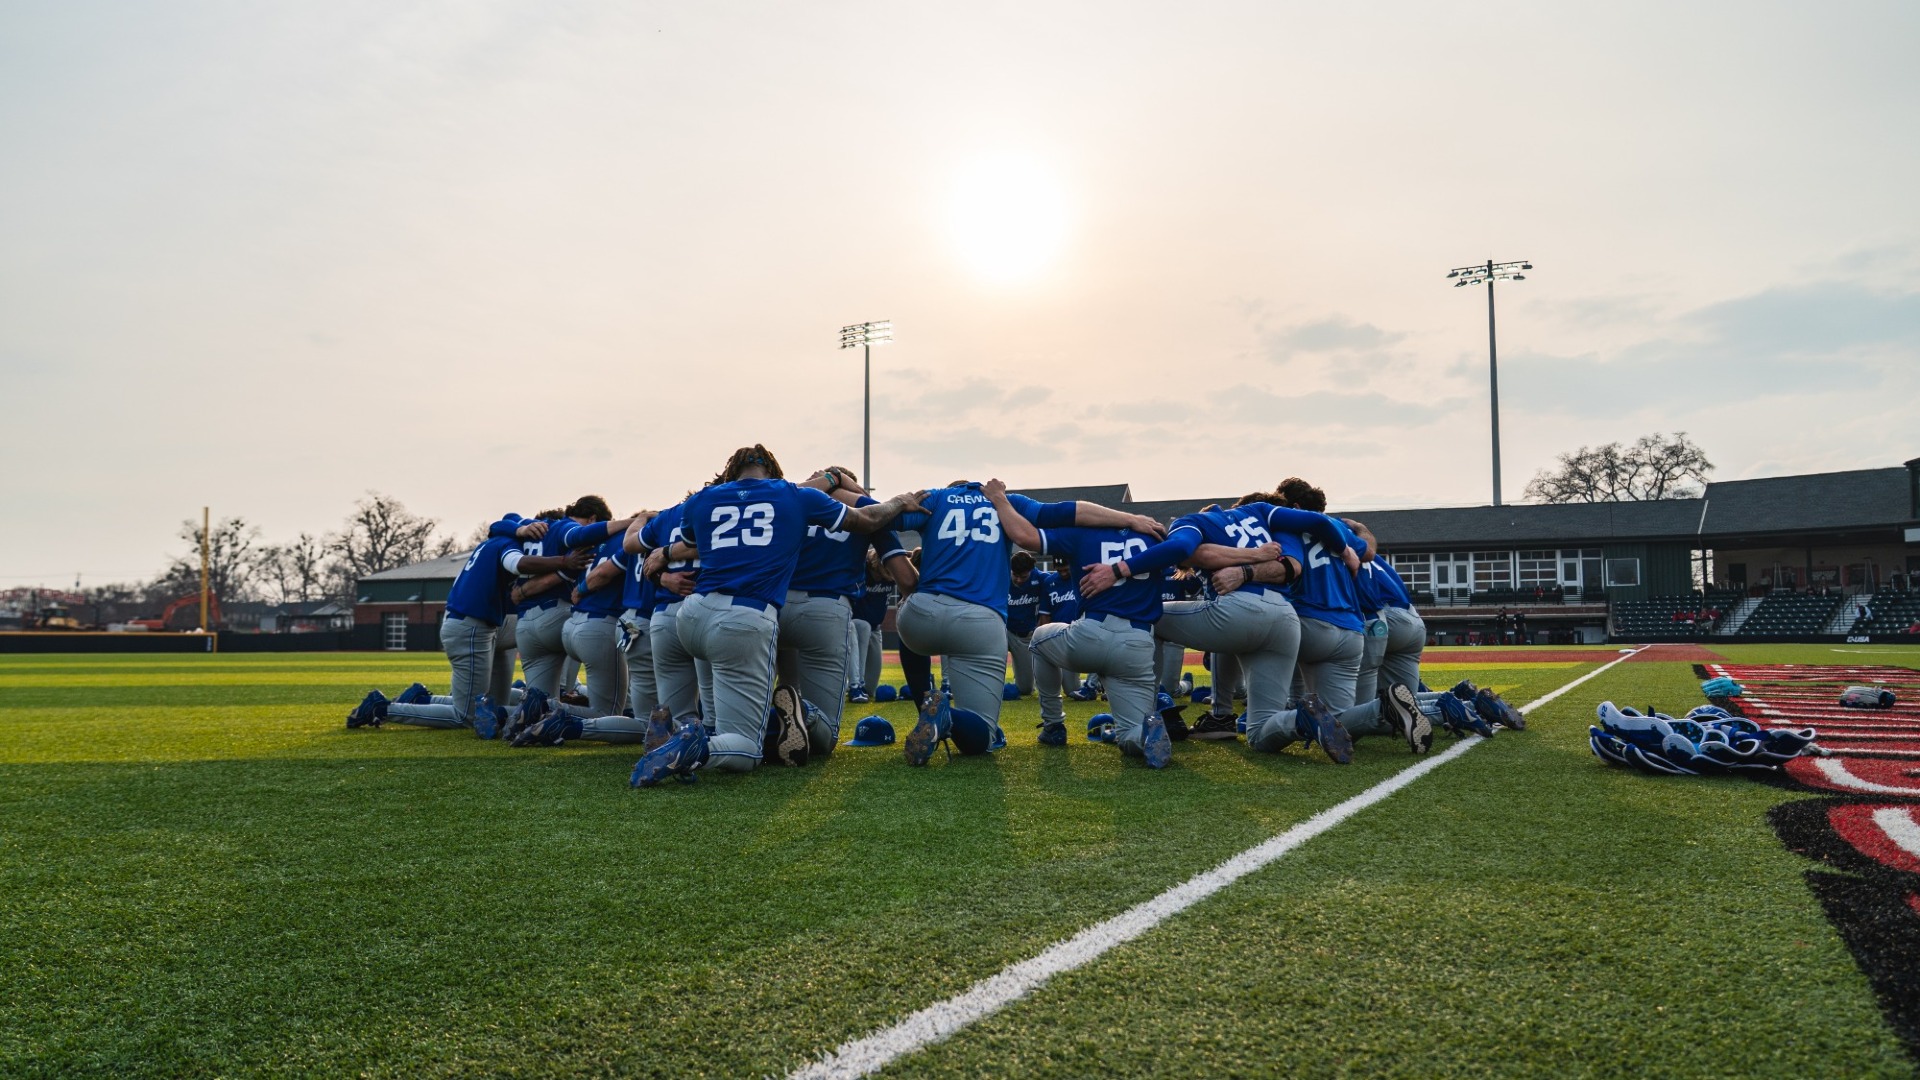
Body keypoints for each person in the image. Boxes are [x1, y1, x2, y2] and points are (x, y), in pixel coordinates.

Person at [630, 446, 924, 785]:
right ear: (774, 471)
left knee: (719, 716)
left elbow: (692, 544)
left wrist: (664, 554)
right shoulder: (796, 496)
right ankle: (790, 716)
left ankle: (692, 729)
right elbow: (876, 529)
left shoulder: (706, 497)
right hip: (775, 613)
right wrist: (898, 501)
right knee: (763, 747)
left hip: (694, 615)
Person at [888, 480, 1166, 764]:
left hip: (924, 612)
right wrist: (1132, 519)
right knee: (981, 735)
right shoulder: (1008, 502)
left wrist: (888, 533)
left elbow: (874, 519)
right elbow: (1073, 511)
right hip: (984, 623)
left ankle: (928, 699)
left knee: (912, 622)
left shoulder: (934, 499)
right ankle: (946, 715)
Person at [1083, 495, 1369, 761]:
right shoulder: (1263, 514)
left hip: (1240, 611)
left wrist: (1119, 569)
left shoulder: (1192, 521)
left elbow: (1182, 549)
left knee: (1146, 617)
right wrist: (1345, 550)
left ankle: (1150, 713)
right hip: (1286, 619)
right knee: (1259, 733)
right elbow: (1308, 537)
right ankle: (1300, 719)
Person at [983, 480, 1175, 767]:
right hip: (1138, 644)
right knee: (1129, 732)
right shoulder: (1155, 538)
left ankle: (1054, 725)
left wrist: (999, 499)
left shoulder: (1082, 534)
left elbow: (1024, 536)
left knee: (1039, 638)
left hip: (1091, 634)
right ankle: (1144, 737)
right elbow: (1180, 558)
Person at [347, 515, 589, 735]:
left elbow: (498, 525)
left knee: (493, 702)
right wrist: (563, 562)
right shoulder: (505, 545)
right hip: (471, 626)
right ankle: (385, 708)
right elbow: (518, 563)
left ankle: (420, 699)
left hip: (475, 623)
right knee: (466, 716)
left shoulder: (495, 540)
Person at [778, 466, 917, 759]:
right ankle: (805, 714)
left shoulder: (792, 499)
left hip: (773, 606)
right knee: (825, 735)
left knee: (780, 691)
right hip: (826, 608)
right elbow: (904, 577)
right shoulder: (866, 507)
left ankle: (769, 719)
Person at [1004, 551, 1047, 698]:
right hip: (1003, 631)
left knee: (1026, 688)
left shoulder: (1042, 579)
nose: (1019, 580)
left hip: (1025, 636)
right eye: (1015, 575)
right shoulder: (1000, 578)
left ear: (1031, 571)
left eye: (1023, 576)